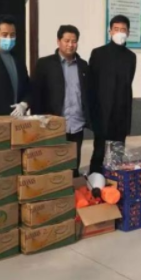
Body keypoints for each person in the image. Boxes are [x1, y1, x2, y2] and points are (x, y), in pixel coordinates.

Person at [30, 25, 89, 177]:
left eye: (74, 41)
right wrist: (38, 121)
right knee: (54, 166)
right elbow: (36, 94)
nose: (70, 45)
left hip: (76, 124)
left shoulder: (83, 65)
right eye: (66, 40)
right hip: (53, 125)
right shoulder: (45, 64)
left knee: (73, 167)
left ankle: (73, 188)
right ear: (58, 41)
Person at [88, 15, 137, 173]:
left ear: (128, 33)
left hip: (121, 113)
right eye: (116, 29)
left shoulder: (131, 57)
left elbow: (128, 82)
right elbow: (91, 83)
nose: (120, 32)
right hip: (102, 112)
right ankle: (95, 178)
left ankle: (115, 179)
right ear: (110, 31)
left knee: (117, 152)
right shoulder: (98, 53)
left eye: (123, 29)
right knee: (99, 151)